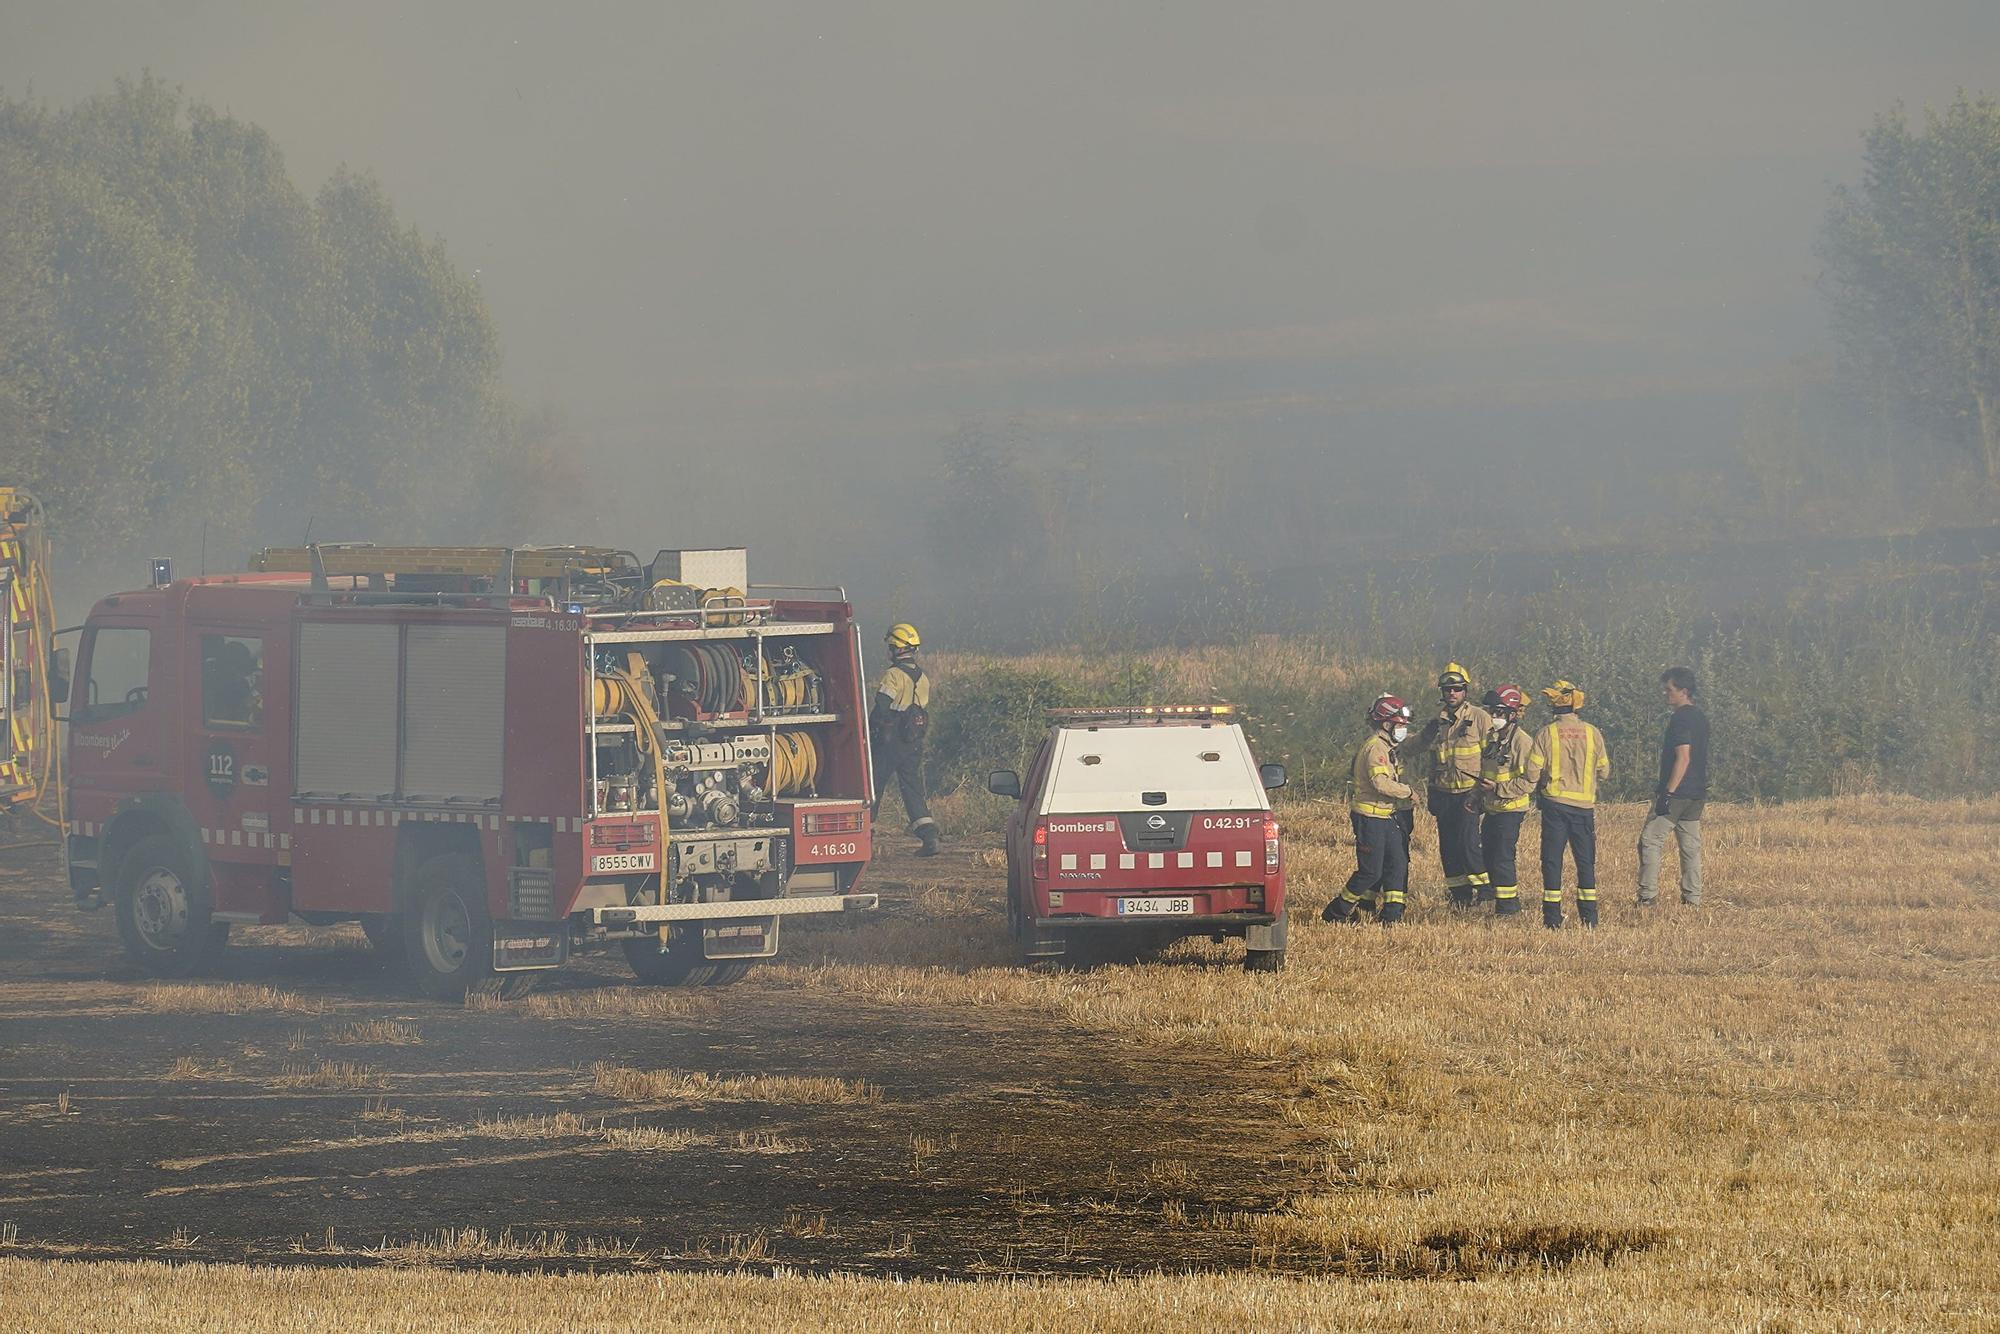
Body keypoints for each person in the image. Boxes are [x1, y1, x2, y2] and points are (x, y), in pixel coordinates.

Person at [1523, 679, 1610, 930]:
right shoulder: (1593, 733)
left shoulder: (1546, 733)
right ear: (1576, 704)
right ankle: (1590, 919)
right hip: (1584, 808)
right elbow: (1604, 772)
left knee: (1552, 861)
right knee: (1585, 862)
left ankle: (1552, 919)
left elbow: (1531, 773)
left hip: (1555, 806)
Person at [1324, 695, 1415, 925]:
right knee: (1371, 872)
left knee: (1398, 864)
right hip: (1370, 818)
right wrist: (1408, 792)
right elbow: (1381, 784)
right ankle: (1337, 913)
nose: (1403, 729)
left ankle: (1391, 916)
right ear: (1387, 724)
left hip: (1387, 817)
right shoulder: (1376, 749)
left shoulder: (1387, 747)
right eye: (1400, 725)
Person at [1413, 663, 1490, 907]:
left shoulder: (1479, 718)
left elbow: (1492, 754)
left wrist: (1484, 791)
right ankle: (1460, 897)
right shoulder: (1438, 721)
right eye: (1447, 689)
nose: (1452, 693)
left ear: (1465, 691)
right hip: (1443, 792)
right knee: (1448, 849)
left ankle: (1485, 892)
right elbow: (1418, 746)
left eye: (1456, 689)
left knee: (1468, 845)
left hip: (1469, 793)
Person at [1638, 665, 1708, 908]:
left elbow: (1684, 757)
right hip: (1697, 794)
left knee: (1650, 840)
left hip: (1677, 793)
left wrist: (1667, 793)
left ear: (1684, 691)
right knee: (1690, 847)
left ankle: (1647, 897)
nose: (1665, 694)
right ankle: (1693, 899)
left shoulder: (1680, 719)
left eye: (1669, 690)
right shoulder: (1700, 717)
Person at [869, 622, 939, 856]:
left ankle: (863, 836)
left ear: (897, 649)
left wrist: (872, 729)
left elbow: (881, 706)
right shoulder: (924, 678)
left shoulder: (894, 675)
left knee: (873, 786)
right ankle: (929, 835)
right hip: (913, 742)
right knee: (912, 788)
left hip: (891, 742)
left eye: (890, 646)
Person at [1475, 684, 1534, 916]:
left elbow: (1529, 782)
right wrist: (1477, 795)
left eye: (1499, 713)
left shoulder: (1522, 742)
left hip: (1511, 809)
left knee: (1502, 857)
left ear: (1511, 715)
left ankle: (1508, 908)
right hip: (1491, 808)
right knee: (1488, 854)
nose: (1493, 717)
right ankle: (1495, 899)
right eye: (1492, 712)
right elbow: (1486, 771)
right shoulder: (1492, 738)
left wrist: (1499, 789)